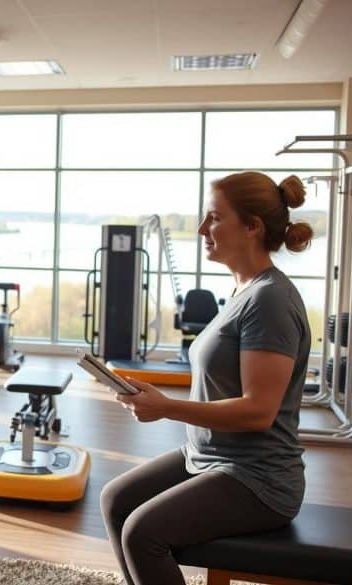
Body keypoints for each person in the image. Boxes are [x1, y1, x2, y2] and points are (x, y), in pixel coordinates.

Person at [99, 171, 313, 585]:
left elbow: (258, 412)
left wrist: (165, 407)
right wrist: (159, 400)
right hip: (210, 457)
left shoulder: (270, 300)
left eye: (213, 218)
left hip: (258, 478)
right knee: (115, 500)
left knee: (143, 533)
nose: (201, 229)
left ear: (252, 227)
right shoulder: (244, 289)